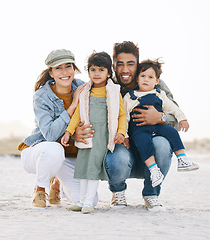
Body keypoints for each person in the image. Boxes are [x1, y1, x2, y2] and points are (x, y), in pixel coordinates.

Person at [72, 41, 178, 212]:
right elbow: (84, 111)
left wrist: (161, 117)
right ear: (113, 66)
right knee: (117, 156)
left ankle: (151, 195)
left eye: (131, 64)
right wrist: (75, 132)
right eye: (120, 64)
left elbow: (178, 119)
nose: (125, 70)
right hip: (122, 148)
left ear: (138, 64)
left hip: (149, 148)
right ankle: (118, 193)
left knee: (164, 145)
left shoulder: (154, 82)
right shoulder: (106, 85)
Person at [18, 49, 87, 209]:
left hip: (68, 156)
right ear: (51, 72)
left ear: (74, 68)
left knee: (84, 201)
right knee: (54, 149)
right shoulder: (41, 96)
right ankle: (40, 188)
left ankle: (56, 182)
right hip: (39, 151)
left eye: (68, 66)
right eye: (58, 68)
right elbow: (50, 135)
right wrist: (73, 106)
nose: (64, 72)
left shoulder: (84, 88)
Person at [61, 52, 127, 214]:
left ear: (109, 73)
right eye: (93, 69)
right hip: (86, 136)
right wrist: (69, 132)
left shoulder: (112, 91)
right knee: (83, 169)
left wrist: (121, 133)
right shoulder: (85, 91)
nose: (97, 73)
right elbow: (77, 114)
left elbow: (121, 115)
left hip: (102, 138)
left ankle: (89, 202)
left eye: (101, 70)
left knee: (93, 170)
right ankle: (82, 201)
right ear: (88, 72)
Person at [123, 58, 199, 188]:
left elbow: (173, 108)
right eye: (143, 76)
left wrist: (182, 119)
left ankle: (182, 159)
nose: (146, 79)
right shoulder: (130, 97)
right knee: (143, 143)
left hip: (157, 127)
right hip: (139, 130)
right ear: (137, 78)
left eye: (150, 77)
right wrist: (125, 135)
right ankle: (154, 170)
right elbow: (124, 118)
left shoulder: (159, 94)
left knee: (172, 132)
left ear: (157, 81)